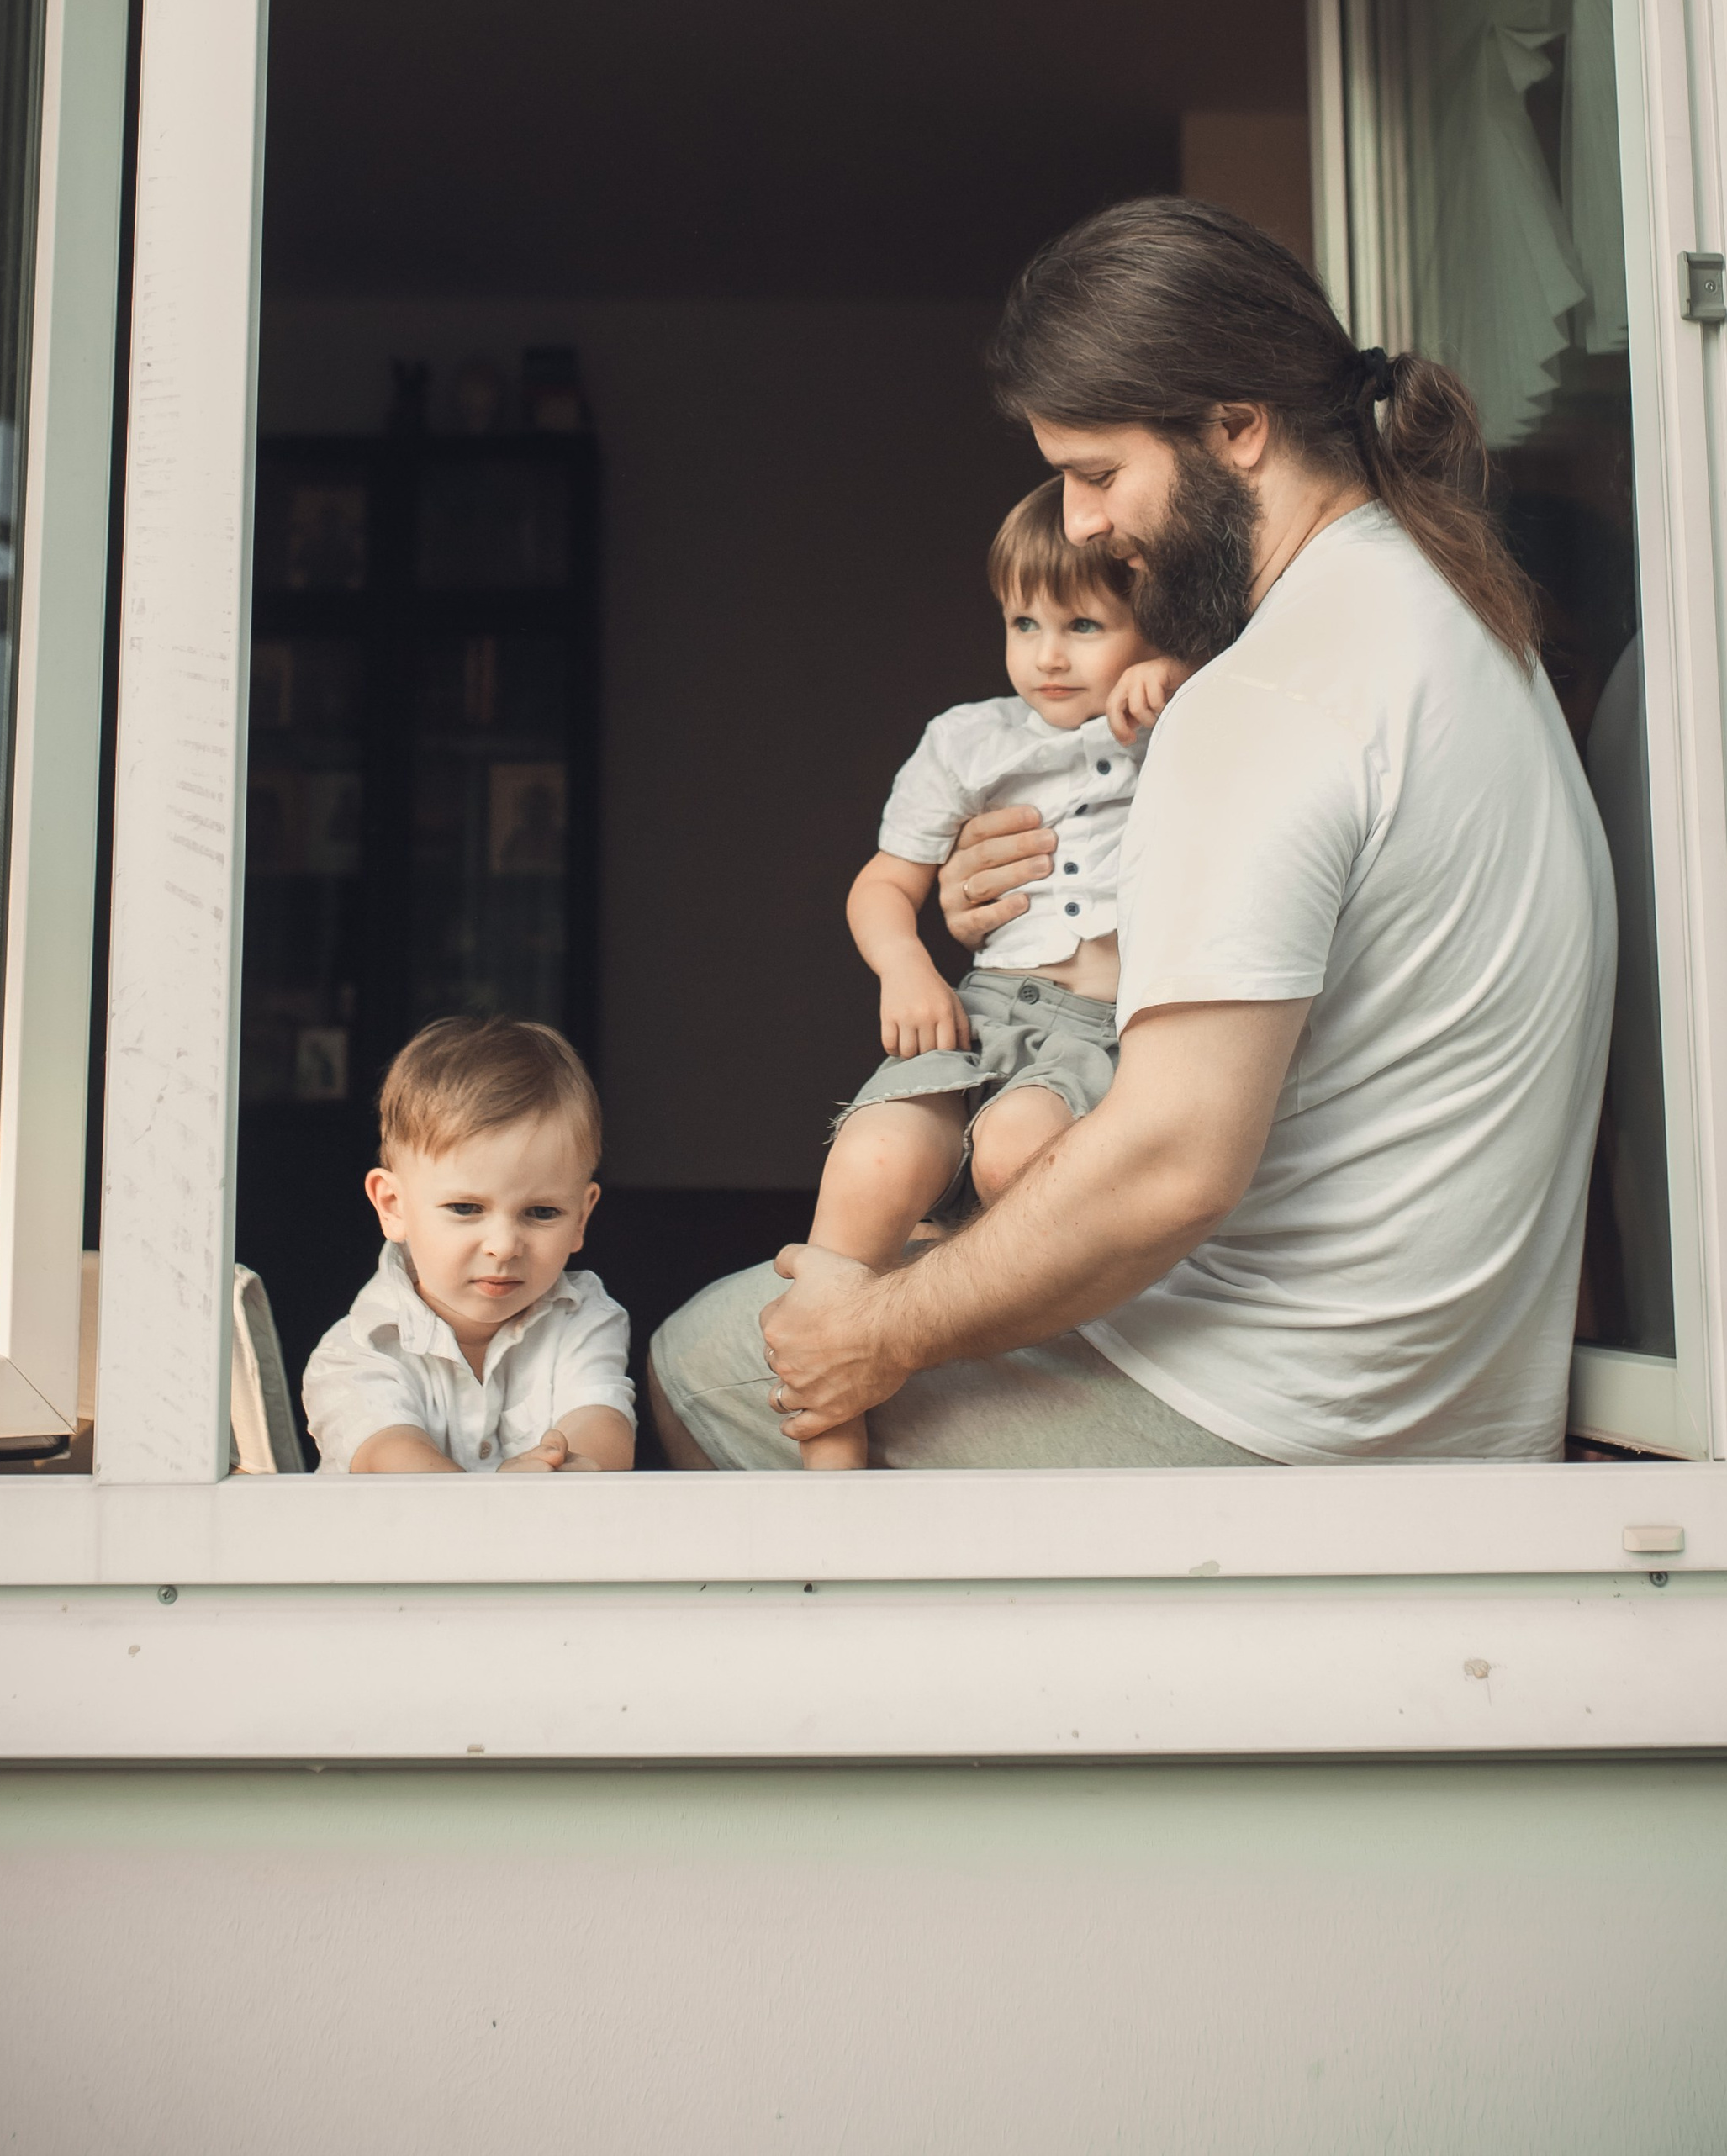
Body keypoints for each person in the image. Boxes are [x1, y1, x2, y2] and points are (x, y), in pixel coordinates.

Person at [648, 194, 1616, 1472]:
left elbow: (1170, 1167)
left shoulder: (1266, 699)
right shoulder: (1447, 614)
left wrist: (878, 1331)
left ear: (1236, 426)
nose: (1084, 523)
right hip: (1437, 1397)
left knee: (714, 1351)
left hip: (1290, 1429)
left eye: (1098, 474)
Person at [795, 479, 1188, 1468]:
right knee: (870, 1158)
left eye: (1085, 624)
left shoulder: (1178, 721)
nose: (1047, 655)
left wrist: (1182, 675)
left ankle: (948, 1283)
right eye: (1024, 621)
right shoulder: (970, 741)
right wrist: (907, 969)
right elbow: (884, 884)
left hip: (1101, 1030)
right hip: (983, 1008)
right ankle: (824, 1432)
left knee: (1019, 1154)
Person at [303, 1012, 636, 1476]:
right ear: (394, 1206)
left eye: (542, 1213)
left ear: (581, 1217)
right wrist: (500, 1505)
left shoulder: (583, 1317)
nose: (503, 1247)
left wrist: (569, 1469)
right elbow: (392, 1459)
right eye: (465, 1209)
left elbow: (602, 1423)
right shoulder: (359, 1349)